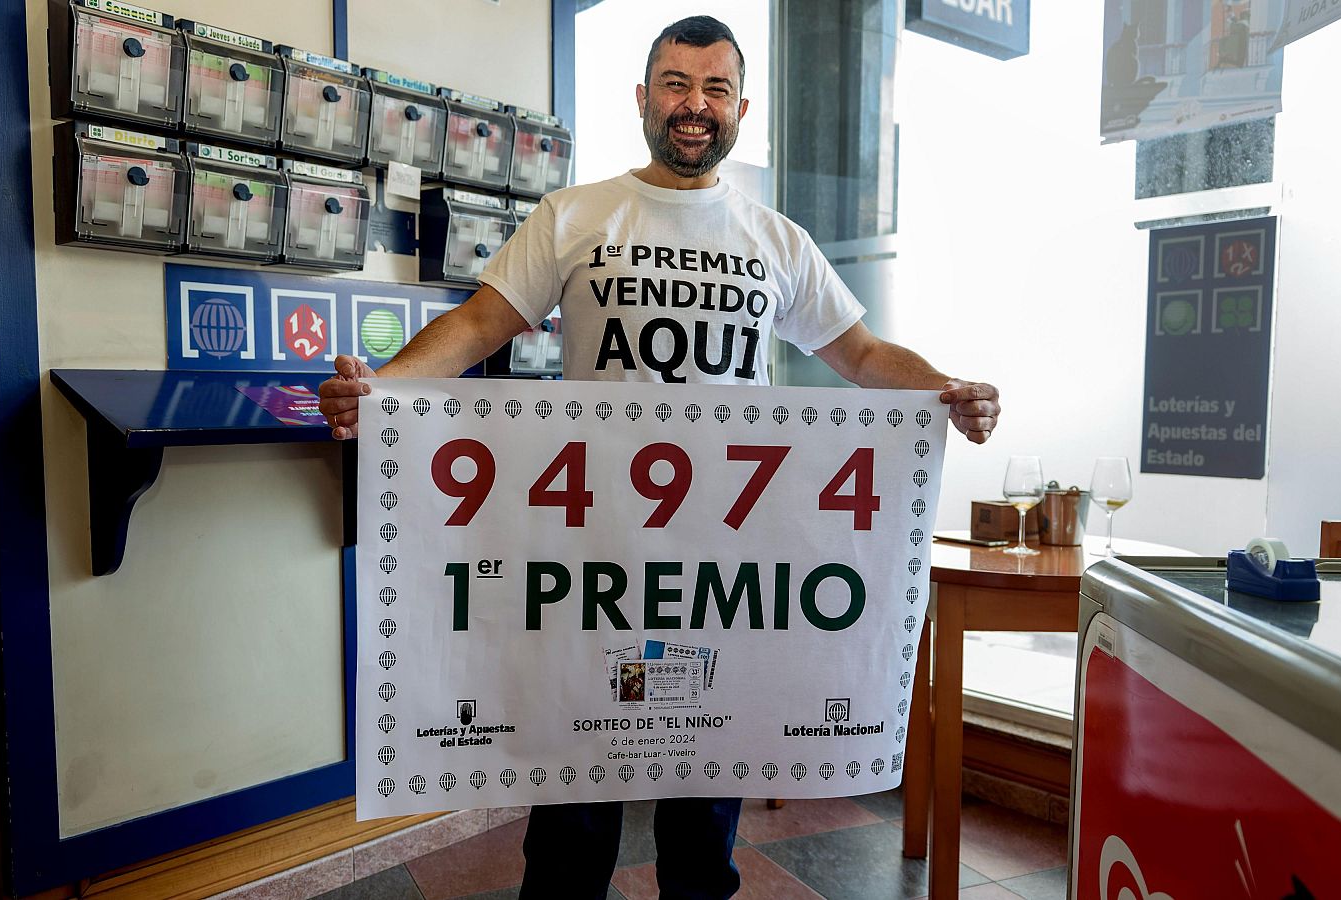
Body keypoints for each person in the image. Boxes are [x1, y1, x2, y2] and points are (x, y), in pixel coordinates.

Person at [319, 15, 1001, 899]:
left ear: (741, 109)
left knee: (703, 822)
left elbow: (864, 357)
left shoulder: (778, 240)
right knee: (571, 816)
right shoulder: (575, 214)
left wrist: (950, 390)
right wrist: (386, 392)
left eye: (715, 89)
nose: (694, 106)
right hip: (593, 554)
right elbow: (483, 323)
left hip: (720, 565)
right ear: (643, 99)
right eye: (676, 85)